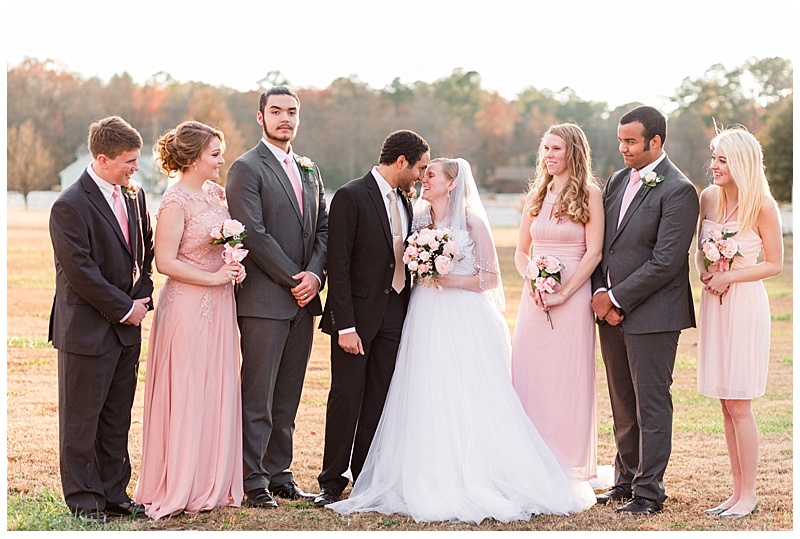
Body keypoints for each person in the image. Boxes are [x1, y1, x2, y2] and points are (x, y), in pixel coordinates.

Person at [327, 158, 596, 523]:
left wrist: (445, 278)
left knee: (465, 392)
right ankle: (420, 468)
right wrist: (424, 267)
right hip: (423, 314)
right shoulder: (418, 218)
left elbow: (490, 279)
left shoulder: (471, 221)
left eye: (431, 175)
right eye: (423, 174)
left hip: (462, 315)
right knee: (422, 389)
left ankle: (474, 470)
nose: (424, 179)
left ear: (451, 183)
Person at [133, 121, 246, 519]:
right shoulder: (174, 202)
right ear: (194, 157)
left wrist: (232, 265)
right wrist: (214, 277)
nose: (220, 160)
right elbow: (165, 262)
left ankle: (210, 480)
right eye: (215, 154)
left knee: (215, 386)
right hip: (186, 306)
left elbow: (224, 244)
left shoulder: (216, 194)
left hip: (220, 306)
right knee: (186, 390)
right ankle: (180, 480)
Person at [590, 106, 699, 515]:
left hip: (654, 315)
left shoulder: (679, 190)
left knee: (650, 402)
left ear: (656, 141)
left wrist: (616, 299)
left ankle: (650, 493)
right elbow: (603, 244)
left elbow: (667, 261)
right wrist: (602, 290)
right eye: (621, 140)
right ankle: (625, 480)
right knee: (621, 399)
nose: (623, 148)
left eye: (631, 141)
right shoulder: (618, 180)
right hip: (610, 310)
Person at [225, 86, 328, 508]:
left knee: (288, 393)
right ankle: (253, 480)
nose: (285, 118)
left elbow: (323, 227)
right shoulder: (246, 168)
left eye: (292, 111)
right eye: (276, 111)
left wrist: (316, 277)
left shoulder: (310, 169)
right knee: (259, 395)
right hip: (265, 300)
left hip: (304, 300)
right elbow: (253, 233)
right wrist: (294, 278)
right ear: (260, 117)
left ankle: (280, 472)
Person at [315, 130, 430, 507]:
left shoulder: (405, 200)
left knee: (380, 397)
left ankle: (366, 475)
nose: (421, 176)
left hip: (395, 313)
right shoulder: (351, 196)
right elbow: (339, 265)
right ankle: (331, 481)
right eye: (420, 168)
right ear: (401, 162)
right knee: (347, 396)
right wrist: (344, 325)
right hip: (357, 319)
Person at [48, 116, 154, 524]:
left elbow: (143, 252)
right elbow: (80, 271)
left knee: (116, 418)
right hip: (87, 331)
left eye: (137, 160)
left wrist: (143, 294)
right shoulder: (69, 205)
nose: (135, 169)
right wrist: (126, 308)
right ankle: (84, 499)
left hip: (128, 330)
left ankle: (115, 494)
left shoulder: (134, 196)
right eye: (129, 161)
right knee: (81, 420)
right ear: (103, 158)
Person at [695, 127, 782, 519]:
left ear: (742, 163)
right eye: (714, 157)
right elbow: (698, 250)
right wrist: (706, 270)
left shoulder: (762, 205)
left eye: (723, 159)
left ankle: (749, 494)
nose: (714, 165)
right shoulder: (708, 198)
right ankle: (734, 492)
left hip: (744, 304)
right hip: (714, 303)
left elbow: (775, 264)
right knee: (725, 403)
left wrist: (729, 276)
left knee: (740, 402)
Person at [511, 123, 604, 481]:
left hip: (573, 298)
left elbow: (593, 253)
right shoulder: (537, 194)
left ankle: (566, 461)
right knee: (530, 374)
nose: (548, 156)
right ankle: (530, 456)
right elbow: (521, 251)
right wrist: (532, 278)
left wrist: (565, 292)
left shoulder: (590, 195)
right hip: (534, 301)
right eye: (545, 149)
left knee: (566, 377)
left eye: (556, 149)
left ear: (573, 153)